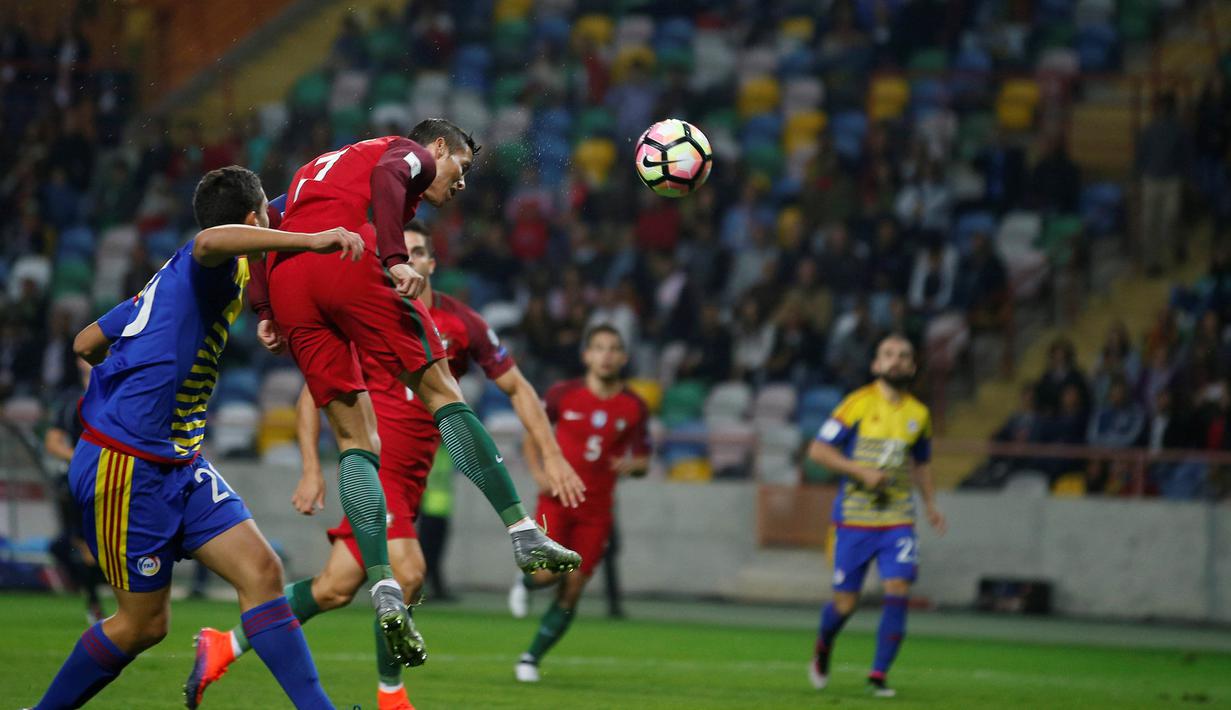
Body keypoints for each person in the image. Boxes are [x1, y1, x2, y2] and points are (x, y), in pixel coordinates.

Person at [191, 221, 578, 710]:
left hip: (412, 482)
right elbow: (313, 393)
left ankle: (224, 645)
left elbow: (518, 388)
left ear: (431, 262)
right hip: (378, 472)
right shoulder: (366, 310)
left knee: (332, 590)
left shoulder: (463, 324)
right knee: (409, 572)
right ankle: (391, 696)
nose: (407, 259)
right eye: (400, 251)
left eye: (417, 252)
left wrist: (553, 454)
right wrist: (311, 467)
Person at [249, 119, 584, 667]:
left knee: (355, 440)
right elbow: (390, 175)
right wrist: (395, 257)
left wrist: (264, 305)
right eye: (462, 168)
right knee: (444, 393)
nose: (461, 183)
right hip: (348, 257)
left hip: (292, 284)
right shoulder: (406, 152)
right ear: (439, 148)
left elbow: (264, 219)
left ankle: (382, 583)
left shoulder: (316, 169)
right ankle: (522, 531)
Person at [28, 166, 365, 709]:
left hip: (178, 462)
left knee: (262, 572)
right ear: (253, 220)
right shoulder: (211, 262)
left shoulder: (167, 282)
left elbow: (85, 342)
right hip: (126, 464)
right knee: (144, 625)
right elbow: (210, 241)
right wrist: (310, 240)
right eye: (266, 215)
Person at [806, 334, 947, 698]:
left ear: (913, 366)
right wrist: (861, 472)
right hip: (854, 518)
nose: (896, 360)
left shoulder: (919, 414)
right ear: (876, 365)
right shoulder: (856, 404)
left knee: (898, 588)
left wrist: (930, 504)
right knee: (845, 604)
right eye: (888, 355)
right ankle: (824, 643)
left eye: (903, 356)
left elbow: (922, 463)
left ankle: (878, 676)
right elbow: (818, 450)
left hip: (898, 518)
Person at [508, 325, 651, 683]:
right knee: (547, 573)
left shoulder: (634, 406)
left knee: (573, 589)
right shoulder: (563, 394)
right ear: (586, 355)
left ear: (623, 358)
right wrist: (539, 473)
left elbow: (644, 459)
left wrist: (633, 466)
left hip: (597, 511)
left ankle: (530, 658)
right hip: (557, 500)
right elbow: (532, 434)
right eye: (599, 348)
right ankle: (525, 584)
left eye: (613, 349)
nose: (606, 355)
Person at [44, 356, 107, 624]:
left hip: (116, 478)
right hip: (80, 481)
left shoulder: (118, 393)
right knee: (84, 544)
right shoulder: (71, 400)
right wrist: (81, 457)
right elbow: (52, 441)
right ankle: (94, 603)